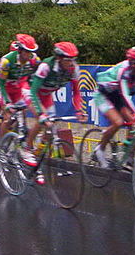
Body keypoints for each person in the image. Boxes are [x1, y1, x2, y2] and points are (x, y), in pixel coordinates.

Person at [20, 42, 87, 177]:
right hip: (31, 92)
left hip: (46, 96)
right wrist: (41, 114)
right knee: (42, 120)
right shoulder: (46, 66)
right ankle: (26, 148)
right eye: (68, 60)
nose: (71, 63)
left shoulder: (74, 69)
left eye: (74, 59)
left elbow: (77, 92)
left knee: (51, 129)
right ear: (59, 58)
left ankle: (37, 154)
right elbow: (33, 92)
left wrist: (79, 110)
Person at [0, 34, 40, 138]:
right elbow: (1, 84)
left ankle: (22, 143)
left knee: (26, 111)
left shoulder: (35, 60)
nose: (29, 54)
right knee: (8, 118)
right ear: (19, 50)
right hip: (4, 87)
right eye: (26, 51)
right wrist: (6, 103)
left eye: (31, 52)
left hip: (18, 87)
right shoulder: (7, 61)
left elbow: (34, 80)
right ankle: (0, 147)